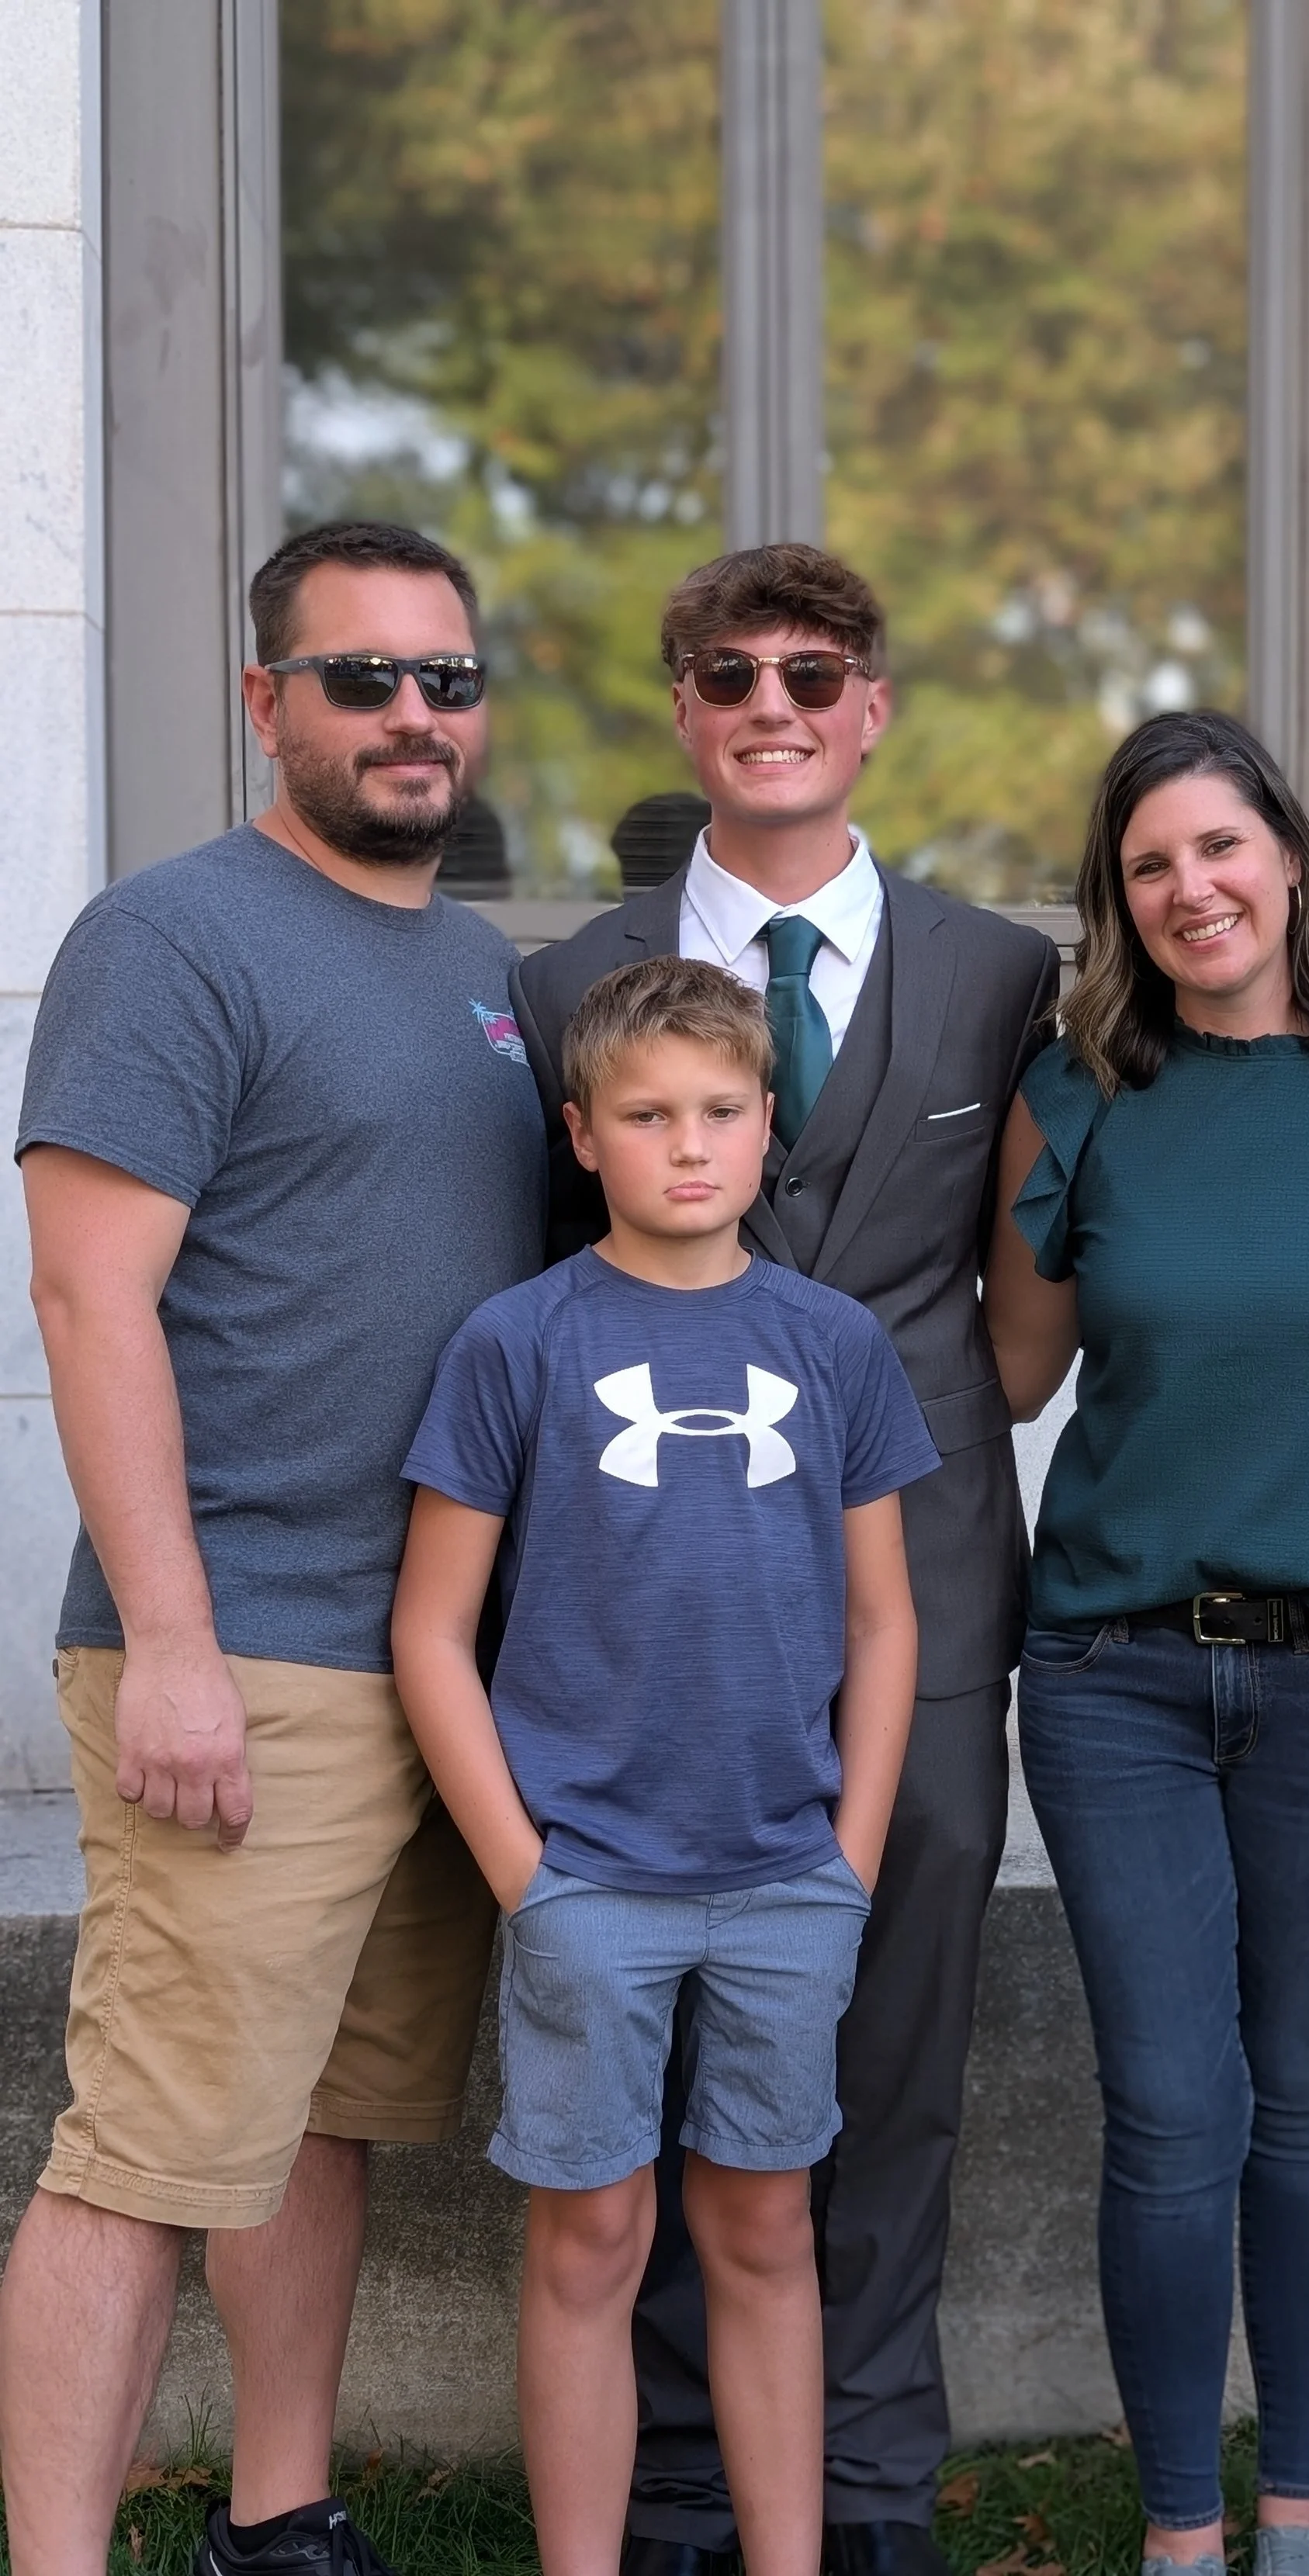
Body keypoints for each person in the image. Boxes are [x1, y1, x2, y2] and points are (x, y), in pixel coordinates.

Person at [508, 542, 1060, 2576]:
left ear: (870, 707)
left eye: (811, 672)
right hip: (646, 1611)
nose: (770, 703)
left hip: (923, 1577)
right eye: (727, 672)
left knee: (894, 2040)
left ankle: (870, 2485)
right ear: (681, 709)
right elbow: (548, 1294)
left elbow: (1020, 1289)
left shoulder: (997, 973)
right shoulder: (564, 987)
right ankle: (673, 2489)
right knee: (656, 2046)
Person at [0, 521, 546, 2576]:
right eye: (361, 677)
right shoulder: (173, 939)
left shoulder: (484, 973)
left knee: (324, 2123)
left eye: (445, 679)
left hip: (430, 1667)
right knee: (145, 2153)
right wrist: (170, 1641)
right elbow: (89, 1300)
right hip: (240, 1655)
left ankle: (279, 2518)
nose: (412, 715)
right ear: (265, 703)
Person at [981, 708, 1309, 2576]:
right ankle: (1179, 2537)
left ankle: (1298, 2519)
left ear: (1285, 852)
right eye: (1147, 865)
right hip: (1112, 1669)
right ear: (1114, 901)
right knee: (1166, 2102)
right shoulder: (1074, 1095)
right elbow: (1009, 1372)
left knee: (1301, 2091)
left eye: (1218, 845)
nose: (1189, 887)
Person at [391, 955, 938, 2576]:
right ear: (580, 1134)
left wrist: (848, 1859)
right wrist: (528, 1879)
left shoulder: (833, 1343)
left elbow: (886, 1621)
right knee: (592, 2233)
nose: (687, 1145)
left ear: (769, 1123)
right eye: (644, 1116)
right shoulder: (517, 1342)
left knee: (764, 2226)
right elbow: (431, 1631)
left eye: (718, 1110)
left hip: (785, 1878)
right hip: (589, 1883)